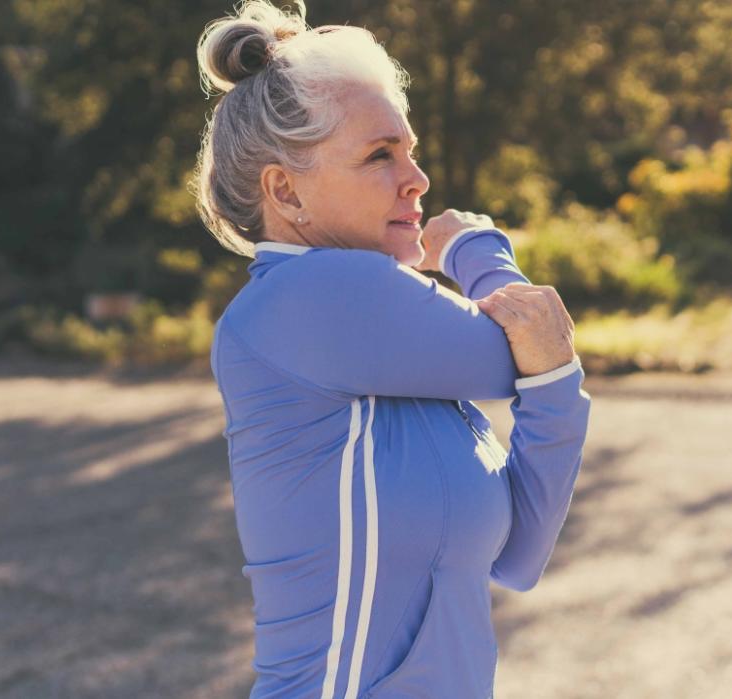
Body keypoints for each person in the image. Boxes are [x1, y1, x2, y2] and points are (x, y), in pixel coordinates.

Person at [194, 2, 591, 697]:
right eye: (381, 154)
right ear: (285, 191)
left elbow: (522, 550)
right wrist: (477, 250)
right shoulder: (309, 292)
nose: (418, 179)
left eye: (410, 150)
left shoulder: (399, 347)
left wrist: (552, 372)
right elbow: (522, 344)